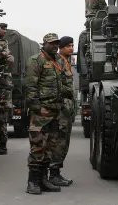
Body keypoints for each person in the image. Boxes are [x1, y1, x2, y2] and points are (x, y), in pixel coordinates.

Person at [24, 33, 69, 195]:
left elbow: (62, 82)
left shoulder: (58, 61)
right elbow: (31, 85)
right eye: (51, 43)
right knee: (38, 146)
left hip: (55, 110)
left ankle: (43, 180)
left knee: (50, 147)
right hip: (41, 111)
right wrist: (35, 106)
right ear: (44, 44)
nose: (55, 46)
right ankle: (32, 182)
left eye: (56, 43)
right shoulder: (36, 60)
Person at [48, 35, 75, 187]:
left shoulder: (67, 61)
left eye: (72, 45)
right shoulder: (58, 61)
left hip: (67, 106)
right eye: (68, 46)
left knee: (64, 141)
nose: (71, 48)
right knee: (59, 140)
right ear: (61, 48)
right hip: (61, 107)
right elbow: (57, 84)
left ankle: (56, 172)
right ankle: (54, 174)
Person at [0, 22, 14, 155]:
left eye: (6, 29)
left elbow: (7, 57)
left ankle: (3, 146)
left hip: (2, 86)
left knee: (1, 118)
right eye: (3, 28)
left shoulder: (3, 44)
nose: (5, 31)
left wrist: (5, 56)